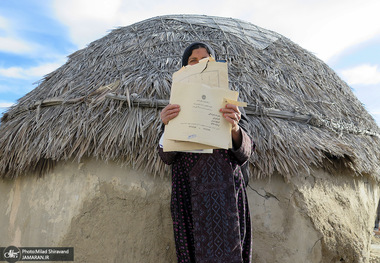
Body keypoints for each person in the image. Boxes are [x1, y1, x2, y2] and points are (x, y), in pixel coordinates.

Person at [159, 42, 254, 263]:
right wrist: (166, 126)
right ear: (184, 68)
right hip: (189, 194)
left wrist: (234, 128)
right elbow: (166, 156)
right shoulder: (173, 108)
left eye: (206, 60)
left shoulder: (230, 105)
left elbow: (246, 152)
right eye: (193, 60)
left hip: (226, 196)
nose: (200, 64)